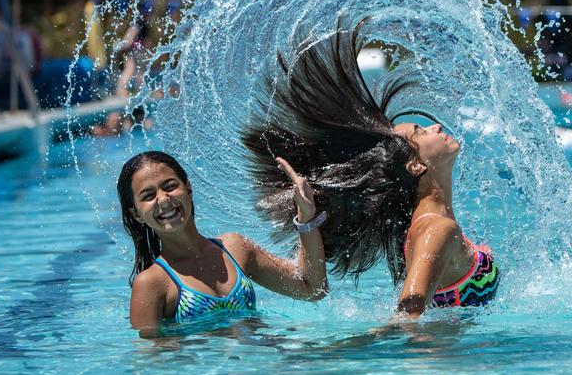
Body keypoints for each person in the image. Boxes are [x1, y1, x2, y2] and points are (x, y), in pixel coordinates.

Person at [242, 20, 500, 319]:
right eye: (421, 131)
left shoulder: (427, 224)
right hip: (440, 363)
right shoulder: (437, 229)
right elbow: (410, 308)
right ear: (416, 165)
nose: (436, 126)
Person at [118, 150, 328, 337]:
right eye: (148, 196)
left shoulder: (235, 248)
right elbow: (150, 361)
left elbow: (313, 289)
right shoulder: (152, 283)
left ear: (188, 190)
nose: (163, 200)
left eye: (170, 186)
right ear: (136, 214)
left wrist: (306, 218)